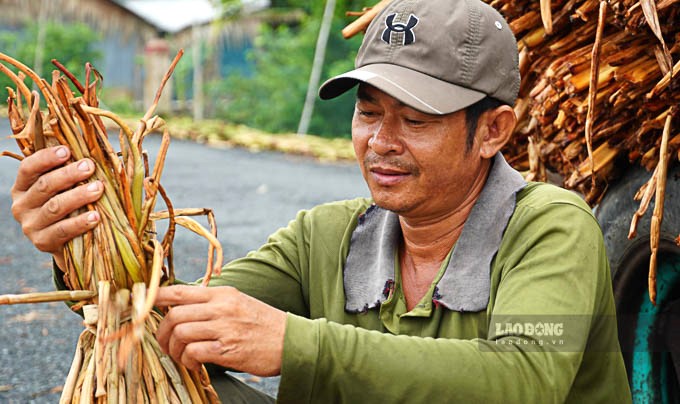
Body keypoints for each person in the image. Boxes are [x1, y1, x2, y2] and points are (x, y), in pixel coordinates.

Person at [10, 0, 632, 402]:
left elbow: (523, 379)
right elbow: (169, 315)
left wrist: (297, 344)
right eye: (368, 114)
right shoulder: (327, 235)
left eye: (415, 119)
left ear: (493, 130)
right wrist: (83, 239)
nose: (381, 143)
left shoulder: (552, 225)